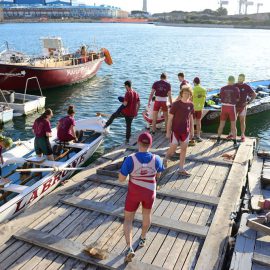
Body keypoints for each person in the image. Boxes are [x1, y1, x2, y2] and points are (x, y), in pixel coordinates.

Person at [119, 132, 164, 262]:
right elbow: (158, 175)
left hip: (134, 193)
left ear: (138, 143)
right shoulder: (157, 159)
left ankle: (129, 248)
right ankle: (143, 238)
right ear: (150, 144)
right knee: (147, 215)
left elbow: (121, 179)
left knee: (128, 220)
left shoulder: (130, 159)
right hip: (149, 192)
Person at [164, 86, 194, 176]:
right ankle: (165, 158)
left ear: (190, 95)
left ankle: (181, 168)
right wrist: (168, 132)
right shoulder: (176, 104)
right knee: (173, 148)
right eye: (185, 93)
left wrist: (192, 131)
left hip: (186, 131)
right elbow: (170, 119)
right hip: (176, 131)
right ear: (181, 94)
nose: (186, 95)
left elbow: (191, 119)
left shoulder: (191, 105)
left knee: (184, 149)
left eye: (188, 94)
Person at [216, 76, 240, 148]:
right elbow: (238, 99)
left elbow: (220, 98)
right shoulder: (236, 89)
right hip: (231, 108)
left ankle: (218, 140)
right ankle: (235, 142)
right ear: (234, 81)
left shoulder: (222, 88)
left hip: (223, 107)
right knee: (233, 126)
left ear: (228, 80)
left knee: (221, 124)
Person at [234, 74, 256, 142]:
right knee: (233, 121)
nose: (239, 79)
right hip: (234, 106)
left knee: (242, 121)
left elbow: (254, 94)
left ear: (243, 79)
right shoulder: (234, 85)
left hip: (242, 107)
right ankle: (232, 133)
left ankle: (242, 135)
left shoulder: (246, 86)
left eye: (241, 78)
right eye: (238, 78)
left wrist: (248, 102)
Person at [192, 77, 207, 142]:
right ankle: (198, 136)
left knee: (191, 122)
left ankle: (191, 136)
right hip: (200, 108)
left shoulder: (193, 89)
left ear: (194, 82)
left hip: (193, 108)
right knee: (198, 122)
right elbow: (204, 99)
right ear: (199, 82)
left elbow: (190, 99)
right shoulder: (204, 89)